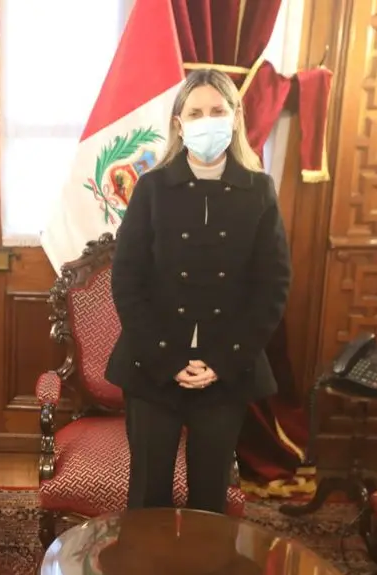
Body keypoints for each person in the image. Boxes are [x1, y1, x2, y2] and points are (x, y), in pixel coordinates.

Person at [105, 68, 292, 514]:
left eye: (217, 110)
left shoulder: (260, 191)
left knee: (210, 500)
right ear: (179, 123)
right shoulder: (151, 189)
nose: (207, 120)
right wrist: (169, 360)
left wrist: (222, 361)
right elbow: (128, 281)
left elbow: (272, 288)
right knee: (149, 496)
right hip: (153, 366)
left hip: (224, 370)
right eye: (196, 112)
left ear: (234, 117)